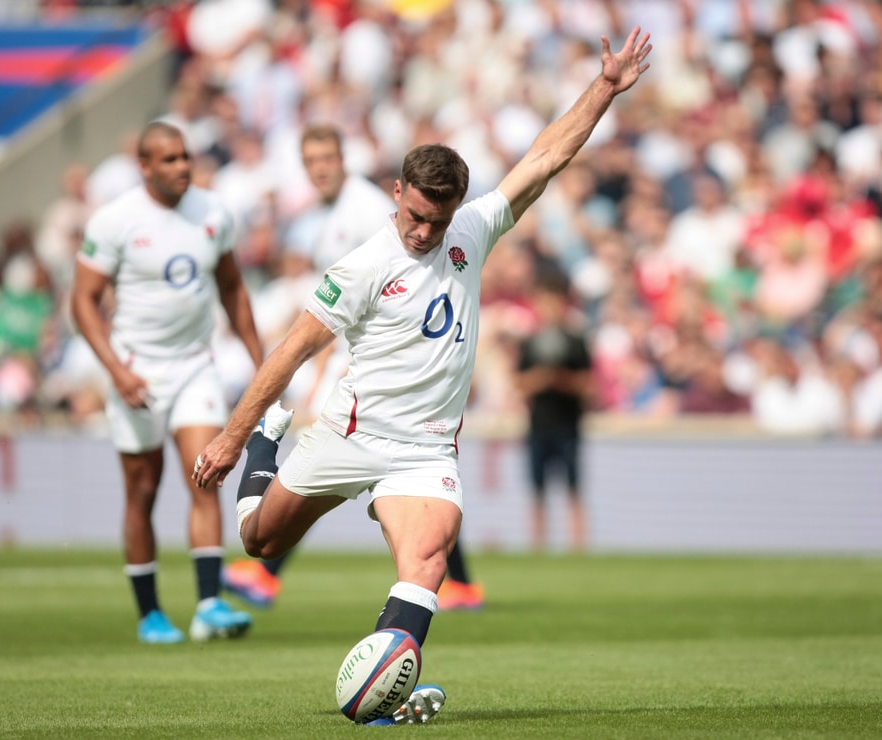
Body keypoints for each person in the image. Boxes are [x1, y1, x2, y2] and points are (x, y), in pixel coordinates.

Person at [192, 28, 651, 724]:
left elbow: (547, 157)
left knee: (429, 559)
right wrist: (233, 437)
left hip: (424, 449)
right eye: (413, 215)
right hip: (350, 431)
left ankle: (379, 696)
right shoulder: (363, 267)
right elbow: (290, 350)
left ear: (455, 208)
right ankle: (266, 448)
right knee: (261, 540)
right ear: (397, 191)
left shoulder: (472, 232)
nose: (421, 234)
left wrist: (604, 89)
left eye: (436, 222)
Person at [223, 124, 486, 611]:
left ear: (344, 159)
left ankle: (268, 569)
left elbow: (396, 288)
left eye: (327, 158)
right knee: (405, 480)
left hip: (380, 362)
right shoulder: (318, 218)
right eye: (311, 160)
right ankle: (266, 556)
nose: (320, 168)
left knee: (422, 479)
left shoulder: (369, 212)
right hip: (357, 354)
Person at [71, 121, 263, 644]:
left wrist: (261, 362)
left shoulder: (213, 211)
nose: (182, 166)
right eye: (170, 159)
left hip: (195, 364)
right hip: (138, 372)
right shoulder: (116, 221)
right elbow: (82, 300)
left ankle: (208, 606)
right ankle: (151, 613)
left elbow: (232, 288)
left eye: (186, 157)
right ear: (145, 166)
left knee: (204, 476)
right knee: (142, 490)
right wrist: (117, 370)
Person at [513, 270, 594, 552]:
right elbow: (520, 384)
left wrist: (558, 379)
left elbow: (587, 385)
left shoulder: (575, 340)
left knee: (573, 489)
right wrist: (540, 379)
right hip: (538, 426)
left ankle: (578, 547)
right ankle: (538, 547)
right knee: (537, 491)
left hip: (568, 425)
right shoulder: (530, 342)